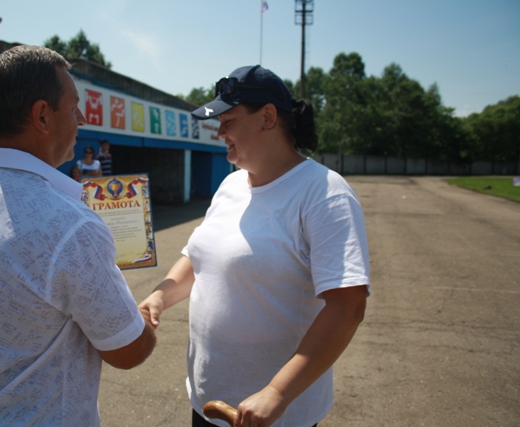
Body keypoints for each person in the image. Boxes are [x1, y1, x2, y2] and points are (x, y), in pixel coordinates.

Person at [0, 46, 156, 426]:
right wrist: (144, 321)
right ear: (41, 116)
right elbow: (127, 351)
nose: (82, 119)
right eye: (74, 107)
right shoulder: (70, 225)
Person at [139, 65, 370, 427]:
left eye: (228, 120)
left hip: (275, 415)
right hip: (208, 403)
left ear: (267, 117)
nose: (220, 132)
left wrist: (277, 392)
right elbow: (199, 256)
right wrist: (160, 296)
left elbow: (348, 307)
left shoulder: (324, 193)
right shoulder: (231, 185)